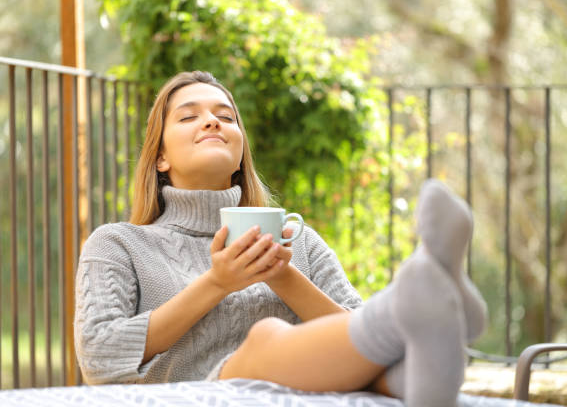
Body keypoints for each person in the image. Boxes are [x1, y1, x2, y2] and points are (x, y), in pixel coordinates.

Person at [75, 71, 487, 406]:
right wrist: (216, 283)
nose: (213, 121)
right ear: (160, 157)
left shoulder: (298, 243)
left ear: (240, 154)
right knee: (265, 336)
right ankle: (422, 300)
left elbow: (352, 334)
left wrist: (284, 276)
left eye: (226, 116)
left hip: (316, 391)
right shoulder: (117, 244)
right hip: (205, 392)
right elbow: (99, 356)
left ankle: (421, 368)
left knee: (387, 367)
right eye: (188, 116)